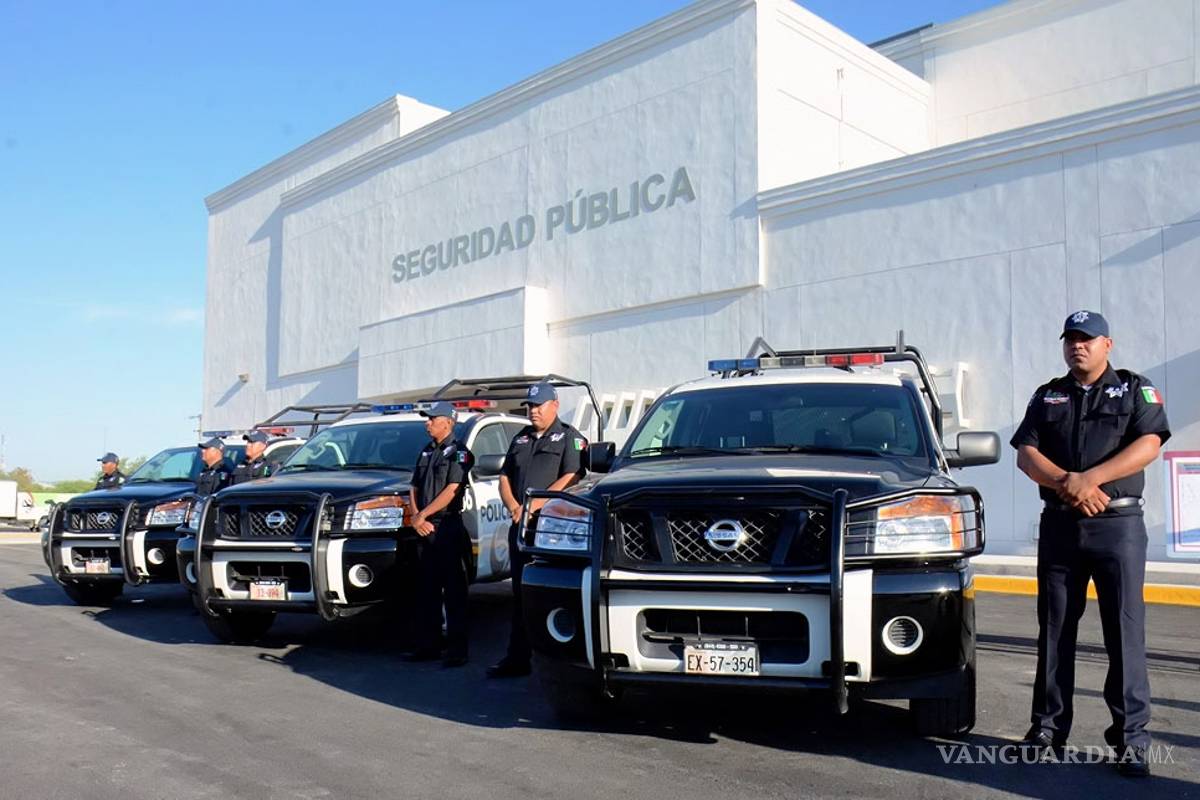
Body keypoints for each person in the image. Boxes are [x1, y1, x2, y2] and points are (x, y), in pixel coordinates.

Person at [1011, 310, 1170, 777]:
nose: (1077, 346)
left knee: (1125, 632)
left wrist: (1092, 479)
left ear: (1108, 344)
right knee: (1055, 630)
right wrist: (1068, 483)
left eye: (1086, 339)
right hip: (1060, 525)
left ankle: (1131, 740)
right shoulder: (1048, 395)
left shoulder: (1133, 388)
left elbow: (1150, 443)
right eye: (1070, 339)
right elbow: (1026, 454)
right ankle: (1047, 729)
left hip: (1116, 527)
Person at [487, 381, 587, 679]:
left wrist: (536, 505)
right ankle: (516, 658)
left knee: (551, 594)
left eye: (538, 406)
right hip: (520, 527)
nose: (533, 411)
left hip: (550, 532)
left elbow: (572, 475)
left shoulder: (570, 437)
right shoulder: (520, 438)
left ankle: (558, 661)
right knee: (519, 594)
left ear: (554, 405)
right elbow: (504, 476)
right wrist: (516, 507)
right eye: (530, 406)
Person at [405, 401, 474, 668]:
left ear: (448, 421)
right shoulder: (425, 451)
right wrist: (416, 515)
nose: (428, 423)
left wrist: (425, 514)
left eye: (432, 419)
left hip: (447, 526)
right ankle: (428, 646)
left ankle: (457, 651)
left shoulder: (460, 452)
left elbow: (452, 489)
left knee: (454, 591)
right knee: (426, 590)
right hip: (424, 527)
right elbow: (413, 486)